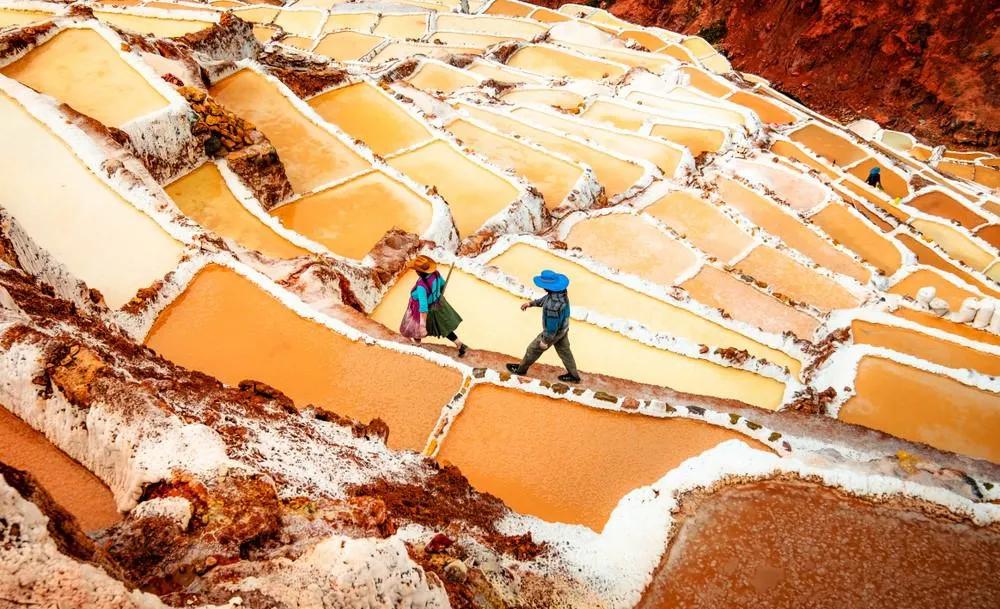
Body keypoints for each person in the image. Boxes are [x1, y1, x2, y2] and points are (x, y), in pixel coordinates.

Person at [506, 270, 580, 383]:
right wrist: (531, 304)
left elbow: (551, 328)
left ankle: (521, 370)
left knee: (533, 349)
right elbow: (545, 299)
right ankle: (574, 376)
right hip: (563, 329)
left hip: (553, 333)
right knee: (565, 352)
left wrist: (545, 341)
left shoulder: (552, 306)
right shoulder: (562, 293)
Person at [399, 255, 468, 357]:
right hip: (438, 304)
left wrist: (422, 325)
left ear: (418, 272)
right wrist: (436, 295)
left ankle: (418, 346)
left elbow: (423, 307)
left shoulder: (421, 286)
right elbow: (442, 284)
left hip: (422, 310)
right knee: (444, 327)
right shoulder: (436, 274)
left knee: (414, 328)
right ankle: (459, 344)